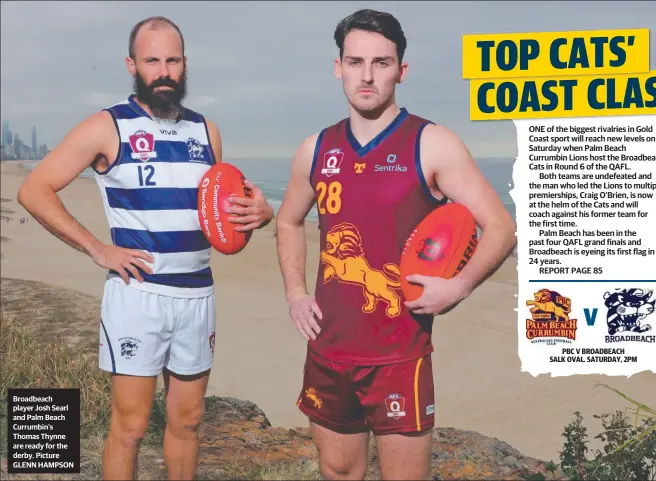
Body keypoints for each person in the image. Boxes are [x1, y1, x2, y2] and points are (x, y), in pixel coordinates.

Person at [17, 16, 274, 480]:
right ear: (132, 64)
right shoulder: (108, 125)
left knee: (188, 423)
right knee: (132, 427)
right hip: (139, 296)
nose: (163, 70)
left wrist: (261, 215)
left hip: (198, 295)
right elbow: (35, 189)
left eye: (171, 60)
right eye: (151, 60)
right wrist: (98, 248)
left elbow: (223, 216)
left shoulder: (206, 132)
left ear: (184, 65)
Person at [275, 9, 516, 481]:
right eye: (355, 61)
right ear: (338, 66)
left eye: (381, 63)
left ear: (401, 71)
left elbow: (501, 227)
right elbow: (287, 220)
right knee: (338, 472)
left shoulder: (432, 144)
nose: (367, 76)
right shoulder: (315, 149)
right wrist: (295, 294)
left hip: (398, 354)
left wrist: (458, 287)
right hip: (328, 351)